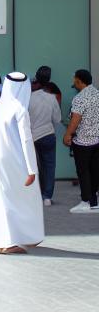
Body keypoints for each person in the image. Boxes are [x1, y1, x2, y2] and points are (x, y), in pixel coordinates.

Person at [0, 73, 44, 254]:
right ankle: (15, 240)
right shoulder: (20, 109)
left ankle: (4, 240)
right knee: (26, 198)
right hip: (17, 159)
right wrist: (32, 169)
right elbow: (26, 141)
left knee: (2, 198)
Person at [64, 68, 99, 213]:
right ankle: (94, 202)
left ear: (79, 81)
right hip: (97, 140)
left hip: (82, 142)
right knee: (95, 171)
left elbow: (75, 119)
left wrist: (67, 134)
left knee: (83, 171)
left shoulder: (79, 98)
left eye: (75, 81)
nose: (74, 84)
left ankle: (85, 201)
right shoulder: (97, 94)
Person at [28, 67, 62, 206]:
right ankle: (47, 197)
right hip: (48, 135)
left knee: (34, 166)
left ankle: (34, 195)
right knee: (49, 166)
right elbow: (57, 119)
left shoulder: (28, 98)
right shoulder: (52, 98)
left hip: (32, 137)